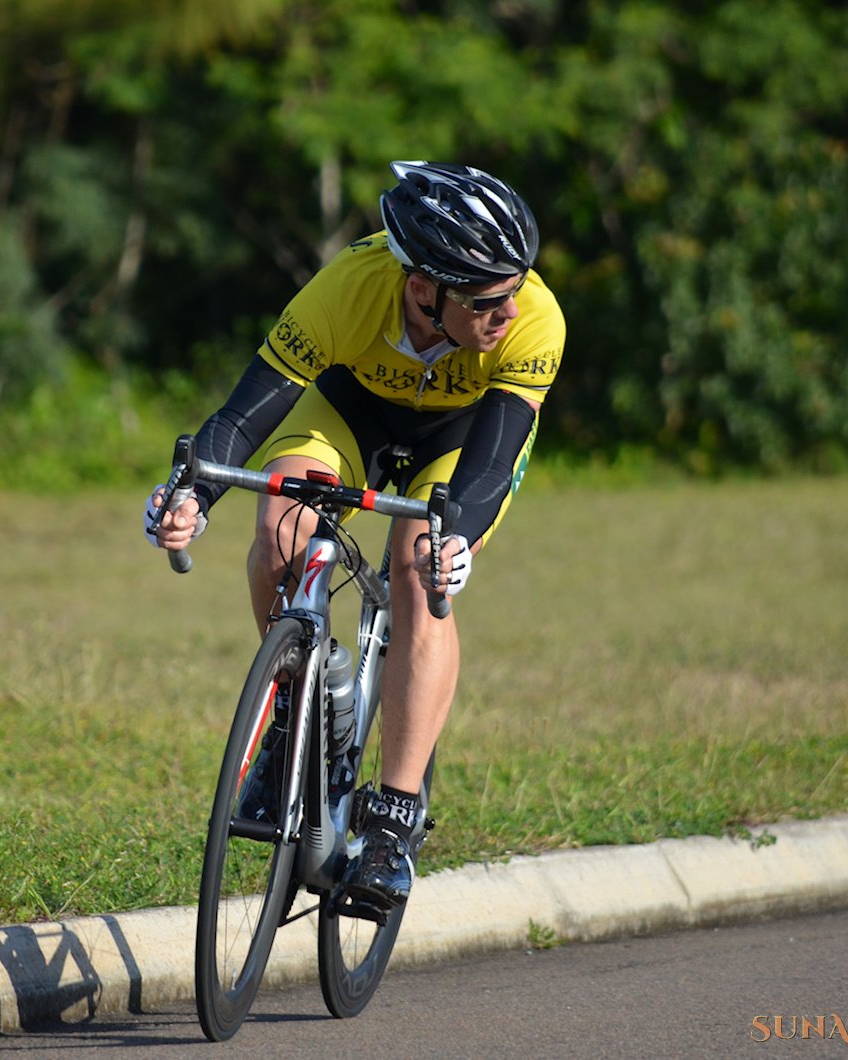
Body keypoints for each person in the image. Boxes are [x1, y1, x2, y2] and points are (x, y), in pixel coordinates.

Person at [147, 161, 566, 907]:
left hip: (461, 440)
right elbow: (245, 417)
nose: (507, 309)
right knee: (281, 527)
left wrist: (454, 538)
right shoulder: (347, 288)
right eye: (485, 299)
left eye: (513, 288)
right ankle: (294, 714)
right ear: (421, 288)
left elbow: (492, 462)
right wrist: (194, 492)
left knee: (416, 566)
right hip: (350, 411)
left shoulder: (532, 316)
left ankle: (394, 822)